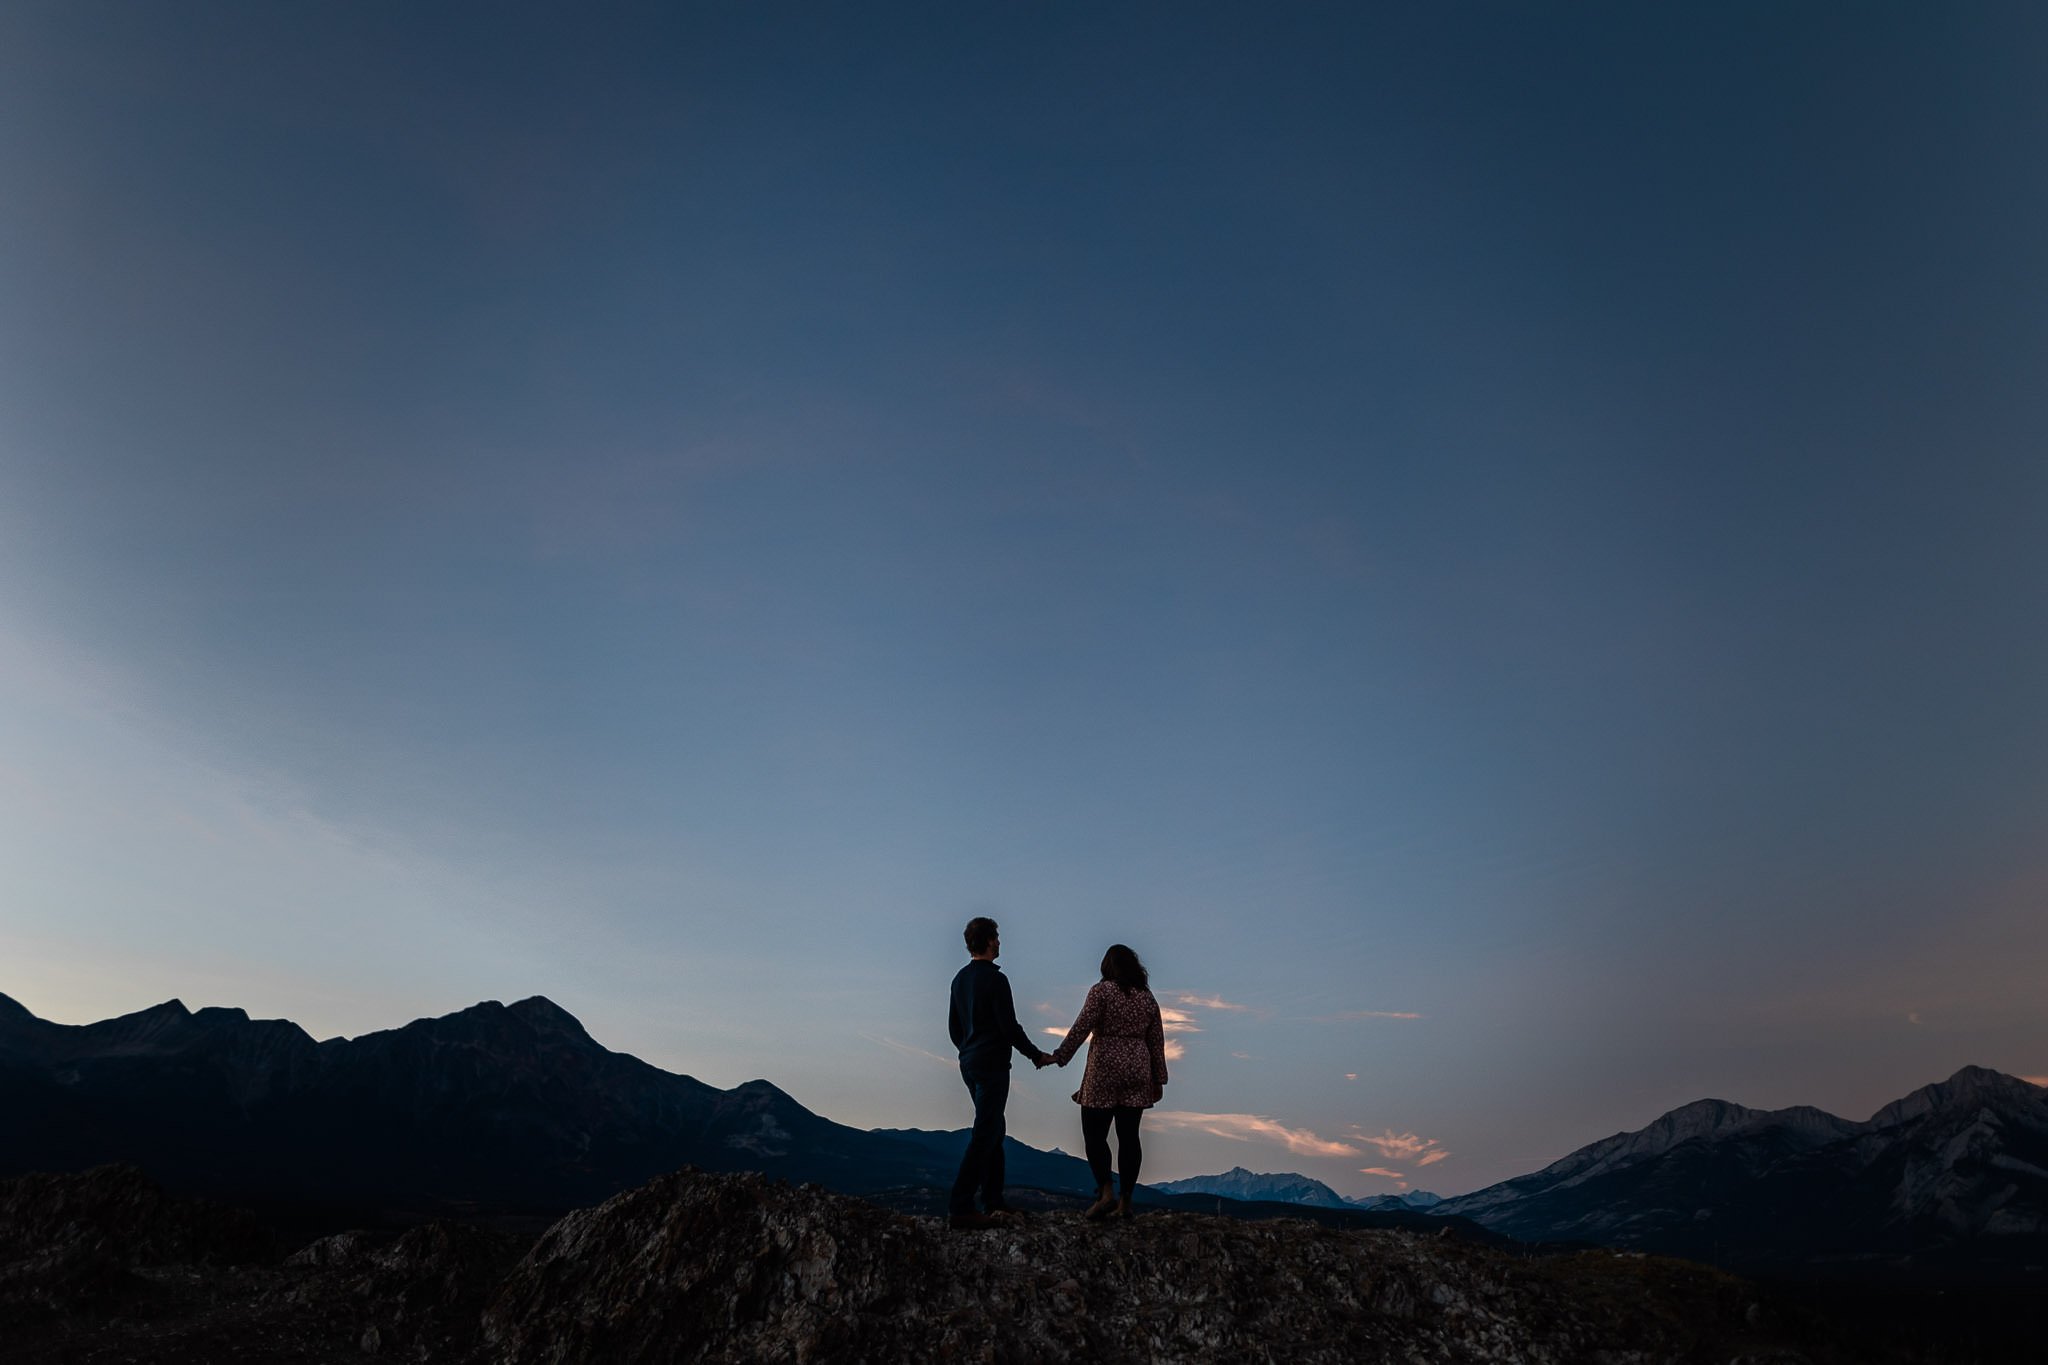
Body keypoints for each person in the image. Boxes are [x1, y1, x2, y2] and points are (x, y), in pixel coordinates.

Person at [1047, 943, 1167, 1221]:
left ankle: (1105, 1191)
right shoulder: (1147, 998)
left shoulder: (1101, 992)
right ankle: (1126, 1201)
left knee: (1094, 1133)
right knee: (1129, 1137)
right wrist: (1158, 1079)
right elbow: (1156, 1041)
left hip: (1104, 1067)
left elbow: (1082, 1026)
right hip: (1138, 1066)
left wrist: (1060, 1056)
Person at [947, 916, 1050, 1230]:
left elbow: (954, 1028)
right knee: (985, 1132)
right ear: (989, 941)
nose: (1000, 942)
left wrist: (967, 1049)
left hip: (970, 1062)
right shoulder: (995, 980)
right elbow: (1009, 1027)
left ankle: (993, 1200)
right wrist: (1035, 1055)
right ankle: (962, 1205)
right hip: (991, 1064)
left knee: (994, 1128)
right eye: (997, 937)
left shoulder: (959, 979)